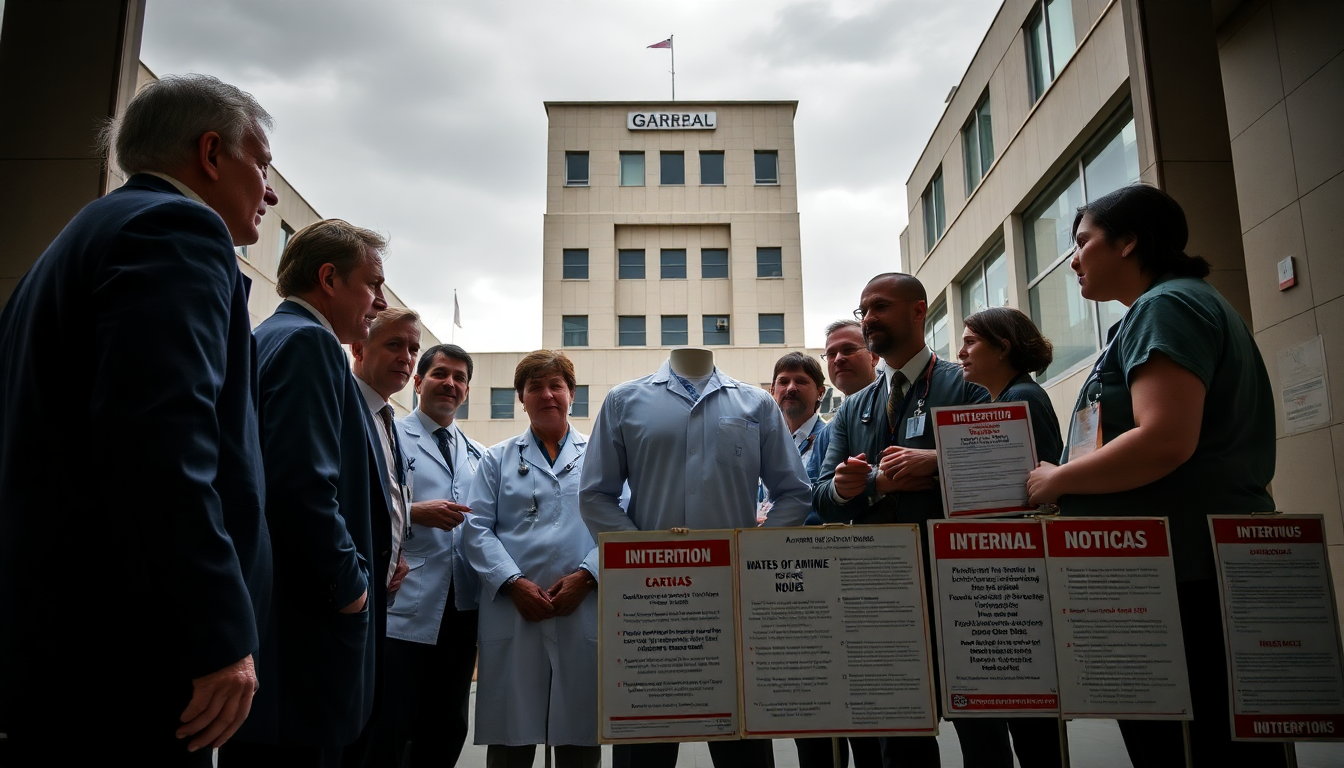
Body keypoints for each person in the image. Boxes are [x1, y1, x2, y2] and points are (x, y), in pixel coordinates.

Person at [0, 73, 276, 764]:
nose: (270, 192)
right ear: (211, 153)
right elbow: (161, 448)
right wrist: (214, 633)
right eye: (262, 164)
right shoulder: (175, 229)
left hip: (58, 638)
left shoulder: (77, 241)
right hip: (127, 647)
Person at [1026, 184, 1284, 768]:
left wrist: (1058, 480)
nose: (1073, 260)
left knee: (1188, 747)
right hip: (1184, 568)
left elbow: (1165, 437)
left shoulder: (1164, 306)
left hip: (1180, 576)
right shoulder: (1181, 303)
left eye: (1083, 242)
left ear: (1129, 242)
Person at [581, 347, 812, 768]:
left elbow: (794, 492)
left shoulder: (755, 403)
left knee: (740, 738)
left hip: (731, 597)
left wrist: (753, 554)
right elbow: (596, 494)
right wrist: (641, 556)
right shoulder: (624, 401)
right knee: (644, 738)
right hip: (648, 601)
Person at [221, 219, 393, 768]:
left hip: (283, 633)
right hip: (308, 637)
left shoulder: (270, 336)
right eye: (373, 285)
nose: (381, 303)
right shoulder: (309, 342)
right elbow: (302, 488)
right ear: (329, 279)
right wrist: (353, 588)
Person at [813, 273, 998, 768]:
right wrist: (864, 485)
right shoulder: (853, 408)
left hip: (961, 584)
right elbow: (824, 500)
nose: (869, 318)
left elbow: (1008, 465)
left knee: (983, 730)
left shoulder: (968, 383)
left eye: (880, 307)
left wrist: (939, 462)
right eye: (863, 311)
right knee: (898, 737)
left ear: (919, 311)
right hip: (880, 591)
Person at [462, 350, 601, 768]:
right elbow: (476, 529)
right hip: (515, 610)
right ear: (521, 398)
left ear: (571, 394)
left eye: (556, 385)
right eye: (535, 387)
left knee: (579, 738)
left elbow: (622, 525)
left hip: (583, 607)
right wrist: (512, 583)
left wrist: (589, 575)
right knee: (511, 742)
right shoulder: (496, 459)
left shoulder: (600, 454)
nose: (547, 395)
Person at [954, 307, 1064, 768]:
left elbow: (1022, 491)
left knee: (1032, 727)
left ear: (1003, 347)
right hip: (1004, 576)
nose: (960, 353)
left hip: (1019, 579)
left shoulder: (1022, 398)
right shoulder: (998, 398)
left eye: (972, 342)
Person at [382, 344, 486, 767]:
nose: (451, 383)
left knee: (448, 724)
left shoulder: (479, 452)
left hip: (461, 607)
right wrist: (413, 513)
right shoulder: (389, 434)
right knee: (392, 721)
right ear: (419, 382)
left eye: (460, 378)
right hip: (405, 602)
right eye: (441, 373)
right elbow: (363, 502)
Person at [341, 308, 421, 767]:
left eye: (412, 349)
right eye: (394, 345)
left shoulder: (386, 418)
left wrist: (395, 554)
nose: (406, 358)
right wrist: (355, 578)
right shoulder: (345, 404)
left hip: (381, 594)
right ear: (359, 347)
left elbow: (386, 499)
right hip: (345, 599)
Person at [805, 320, 882, 522]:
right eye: (831, 354)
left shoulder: (898, 403)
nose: (838, 359)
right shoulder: (824, 436)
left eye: (848, 350)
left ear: (874, 356)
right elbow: (820, 501)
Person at [758, 352, 827, 524]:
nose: (791, 388)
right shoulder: (763, 439)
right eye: (783, 381)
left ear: (820, 392)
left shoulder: (830, 440)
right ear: (772, 390)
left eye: (801, 381)